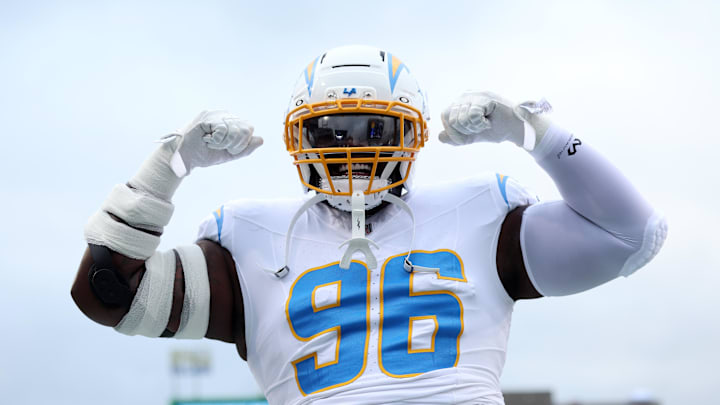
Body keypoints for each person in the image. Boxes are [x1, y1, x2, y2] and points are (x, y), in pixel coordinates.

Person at [71, 45, 667, 404]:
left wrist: (536, 133)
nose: (347, 148)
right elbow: (110, 296)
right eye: (330, 131)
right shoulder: (246, 238)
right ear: (298, 138)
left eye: (369, 129)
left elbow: (633, 235)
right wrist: (168, 164)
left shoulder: (482, 210)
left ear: (410, 133)